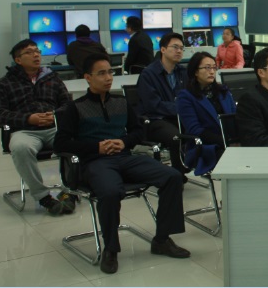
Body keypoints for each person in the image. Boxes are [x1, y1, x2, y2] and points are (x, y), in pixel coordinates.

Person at [54, 54, 189, 275]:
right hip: (95, 162)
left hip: (125, 158)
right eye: (101, 73)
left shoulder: (121, 102)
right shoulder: (75, 107)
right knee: (109, 191)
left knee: (172, 176)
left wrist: (124, 141)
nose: (108, 77)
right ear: (88, 77)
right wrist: (96, 147)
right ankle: (111, 249)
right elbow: (60, 143)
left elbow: (138, 132)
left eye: (110, 72)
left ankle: (162, 239)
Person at [0, 39, 76, 215]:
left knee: (78, 141)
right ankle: (43, 196)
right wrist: (28, 119)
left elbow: (68, 104)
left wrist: (55, 115)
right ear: (18, 60)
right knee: (21, 148)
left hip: (54, 128)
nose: (36, 55)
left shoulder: (52, 78)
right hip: (25, 131)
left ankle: (70, 190)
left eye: (37, 51)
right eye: (29, 52)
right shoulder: (5, 83)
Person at [176, 52, 237, 174]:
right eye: (207, 68)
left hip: (231, 142)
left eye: (214, 67)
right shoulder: (186, 97)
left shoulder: (223, 91)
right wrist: (225, 142)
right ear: (195, 72)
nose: (212, 71)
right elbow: (195, 130)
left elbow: (235, 118)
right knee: (235, 160)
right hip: (206, 147)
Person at [137, 33, 187, 176]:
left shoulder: (183, 72)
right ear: (163, 49)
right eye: (175, 47)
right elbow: (153, 105)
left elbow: (189, 98)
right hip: (155, 120)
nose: (179, 51)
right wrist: (180, 108)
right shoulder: (148, 74)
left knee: (202, 127)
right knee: (175, 136)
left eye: (181, 48)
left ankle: (195, 165)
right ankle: (178, 175)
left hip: (177, 118)